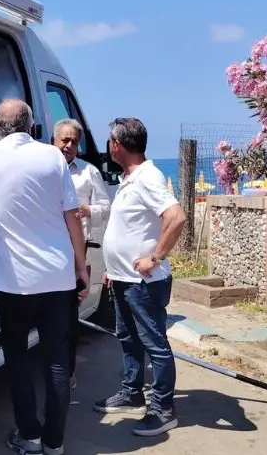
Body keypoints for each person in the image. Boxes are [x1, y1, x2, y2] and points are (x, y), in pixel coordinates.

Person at [0, 99, 88, 455]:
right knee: (56, 360)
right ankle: (54, 443)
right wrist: (81, 265)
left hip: (14, 282)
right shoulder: (53, 157)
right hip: (57, 278)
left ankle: (30, 435)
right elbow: (71, 215)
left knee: (18, 359)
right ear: (32, 126)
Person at [93, 117, 188, 437]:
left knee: (155, 345)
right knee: (128, 338)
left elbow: (176, 217)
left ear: (118, 145)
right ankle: (132, 392)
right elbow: (131, 228)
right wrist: (112, 268)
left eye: (110, 140)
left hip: (144, 282)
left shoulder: (148, 177)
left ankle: (163, 409)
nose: (108, 145)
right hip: (122, 279)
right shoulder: (129, 178)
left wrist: (156, 257)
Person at [52, 118, 112, 391]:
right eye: (64, 140)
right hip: (48, 250)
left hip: (78, 252)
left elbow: (105, 207)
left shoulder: (89, 172)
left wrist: (87, 211)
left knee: (69, 315)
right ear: (54, 140)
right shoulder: (44, 169)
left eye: (74, 141)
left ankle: (67, 372)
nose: (69, 145)